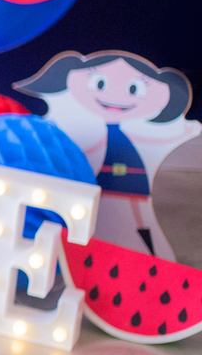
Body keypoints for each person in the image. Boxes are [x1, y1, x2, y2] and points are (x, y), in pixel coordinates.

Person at [15, 50, 200, 259]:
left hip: (134, 186)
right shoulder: (73, 130)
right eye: (100, 84)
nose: (116, 97)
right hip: (91, 185)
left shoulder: (143, 136)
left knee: (142, 221)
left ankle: (159, 261)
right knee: (94, 216)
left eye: (134, 89)